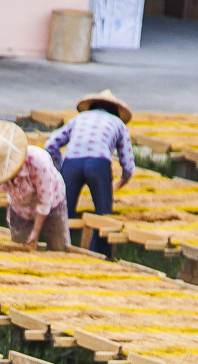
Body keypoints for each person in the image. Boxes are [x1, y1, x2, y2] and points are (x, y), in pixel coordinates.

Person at [44, 89, 135, 257]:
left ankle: (58, 250)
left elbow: (50, 145)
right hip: (98, 163)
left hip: (71, 162)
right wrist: (122, 181)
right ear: (115, 110)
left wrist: (59, 167)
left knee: (63, 211)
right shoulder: (118, 123)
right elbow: (128, 164)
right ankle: (100, 256)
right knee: (103, 215)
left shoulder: (79, 118)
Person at [0, 121, 68, 252]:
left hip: (52, 206)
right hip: (20, 209)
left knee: (59, 250)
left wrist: (35, 232)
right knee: (19, 250)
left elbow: (45, 200)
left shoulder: (38, 162)